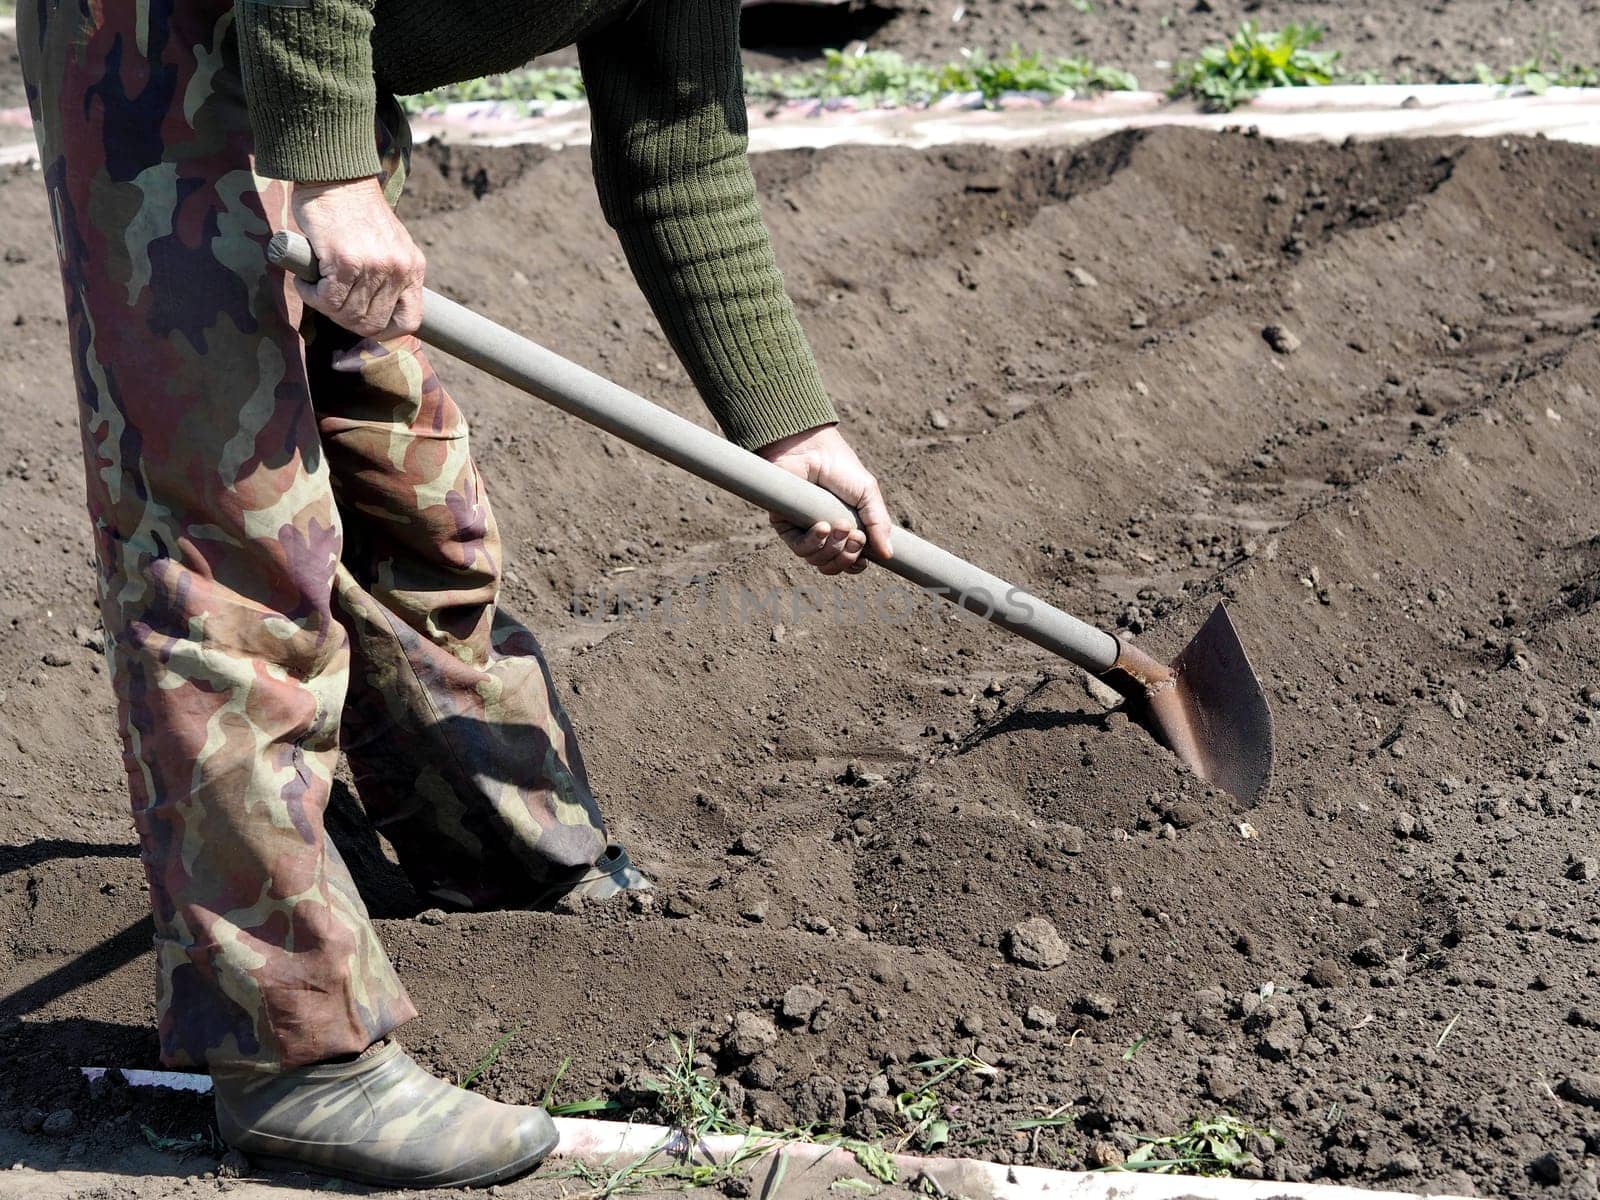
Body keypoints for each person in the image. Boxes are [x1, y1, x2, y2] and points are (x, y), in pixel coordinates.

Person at [18, 0, 893, 1187]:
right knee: (239, 545)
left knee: (406, 479)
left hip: (304, 52)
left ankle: (495, 848)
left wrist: (788, 431)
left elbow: (675, 144)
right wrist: (328, 168)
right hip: (162, 40)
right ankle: (294, 1061)